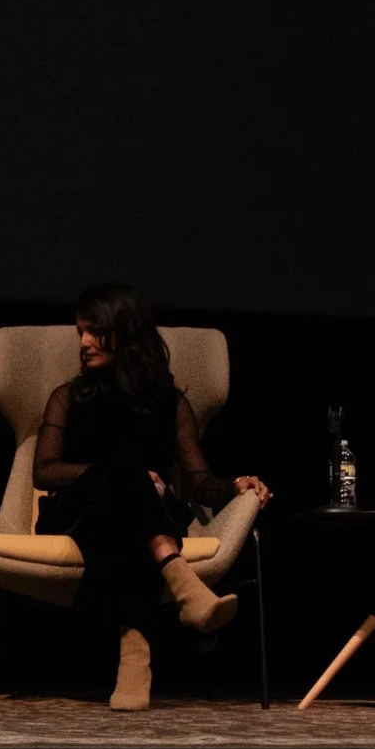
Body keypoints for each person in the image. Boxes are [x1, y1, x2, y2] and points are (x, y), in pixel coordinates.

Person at [32, 284, 271, 711]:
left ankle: (136, 654)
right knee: (126, 475)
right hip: (79, 513)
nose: (83, 343)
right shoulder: (67, 397)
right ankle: (174, 602)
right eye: (79, 334)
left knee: (132, 512)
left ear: (126, 333)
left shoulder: (169, 402)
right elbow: (44, 471)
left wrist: (235, 484)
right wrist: (120, 475)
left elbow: (199, 481)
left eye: (94, 332)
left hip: (142, 517)